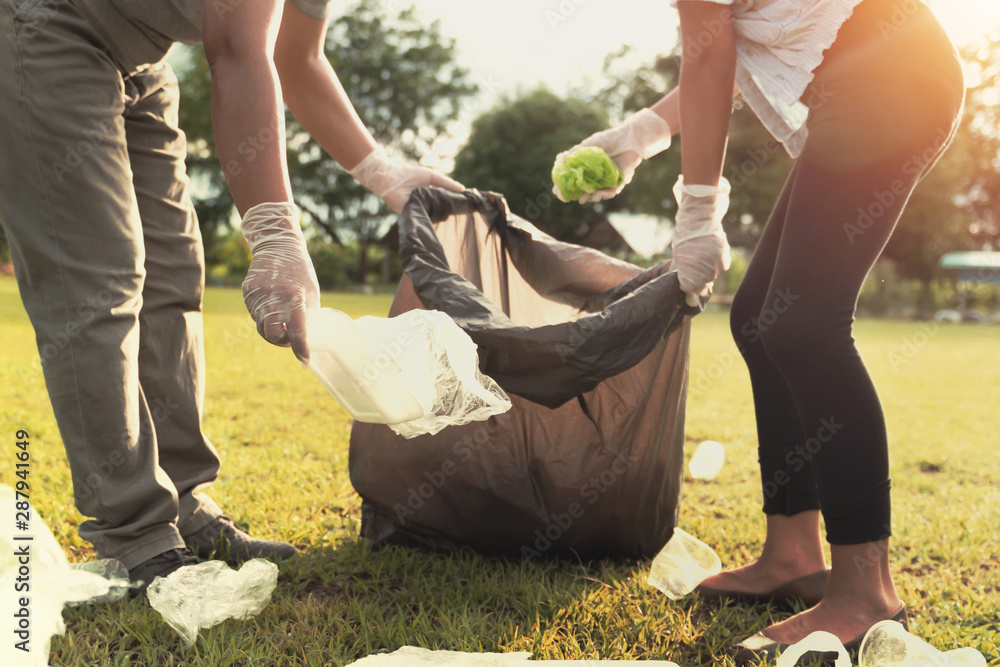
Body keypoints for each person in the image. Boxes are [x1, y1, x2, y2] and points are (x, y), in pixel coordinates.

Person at [0, 0, 462, 593]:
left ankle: (184, 502)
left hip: (143, 56)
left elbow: (296, 58)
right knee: (98, 283)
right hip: (46, 26)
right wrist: (275, 232)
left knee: (172, 274)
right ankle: (135, 533)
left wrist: (380, 170)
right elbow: (237, 48)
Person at [555, 0, 964, 661]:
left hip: (887, 73)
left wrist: (696, 217)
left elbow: (711, 52)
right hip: (879, 71)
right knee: (760, 319)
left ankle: (867, 590)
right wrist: (639, 134)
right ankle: (792, 553)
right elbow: (728, 48)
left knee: (804, 326)